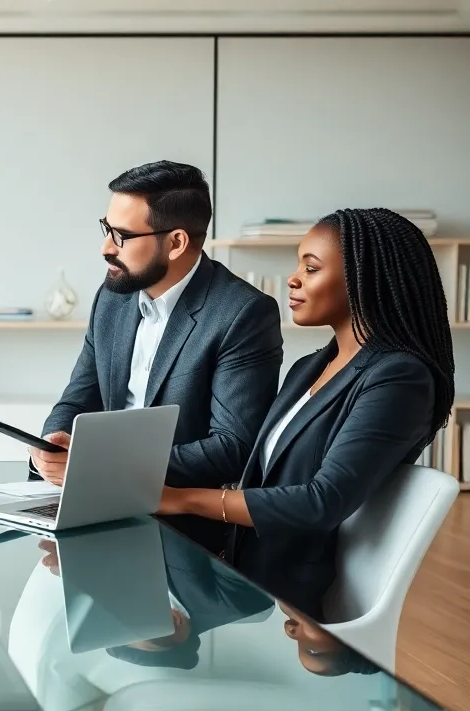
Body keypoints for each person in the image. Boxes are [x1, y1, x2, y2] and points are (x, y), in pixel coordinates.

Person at [158, 208, 455, 619]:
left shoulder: (400, 378)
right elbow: (260, 471)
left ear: (363, 280)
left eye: (311, 268)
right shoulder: (308, 368)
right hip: (235, 569)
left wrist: (180, 500)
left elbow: (322, 501)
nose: (292, 279)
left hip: (280, 602)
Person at [30, 161, 284, 552]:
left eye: (122, 236)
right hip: (96, 506)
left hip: (183, 528)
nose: (106, 247)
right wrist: (53, 444)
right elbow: (80, 395)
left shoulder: (243, 314)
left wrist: (101, 466)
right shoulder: (113, 298)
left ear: (177, 242)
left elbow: (233, 447)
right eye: (106, 228)